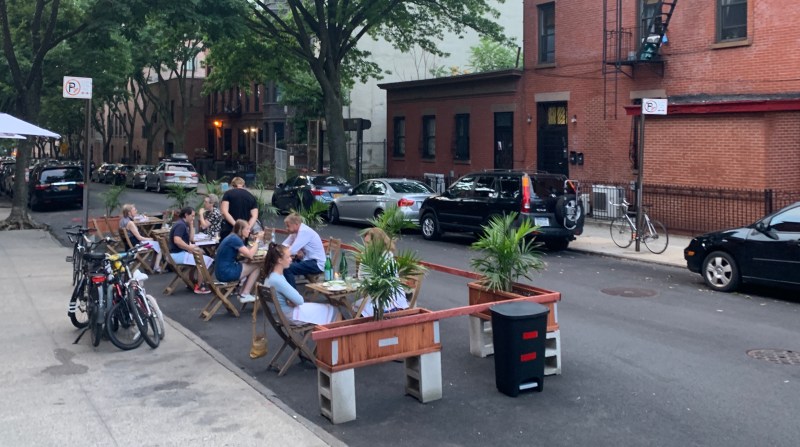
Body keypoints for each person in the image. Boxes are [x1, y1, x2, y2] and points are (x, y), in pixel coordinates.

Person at [264, 243, 339, 325]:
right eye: (288, 257)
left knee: (328, 308)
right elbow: (299, 300)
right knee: (333, 310)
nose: (291, 259)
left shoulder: (272, 276)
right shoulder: (277, 279)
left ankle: (334, 336)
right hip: (291, 315)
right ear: (280, 260)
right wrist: (291, 299)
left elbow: (289, 297)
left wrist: (290, 299)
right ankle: (337, 337)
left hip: (285, 313)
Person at [355, 227, 408, 317]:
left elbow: (375, 283)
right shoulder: (370, 256)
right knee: (356, 306)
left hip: (389, 300)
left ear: (377, 243)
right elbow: (361, 277)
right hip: (376, 297)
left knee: (359, 310)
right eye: (365, 243)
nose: (365, 246)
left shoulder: (387, 258)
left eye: (368, 243)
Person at [168, 206, 214, 294]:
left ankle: (193, 281)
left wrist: (191, 225)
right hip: (176, 255)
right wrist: (190, 248)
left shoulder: (182, 223)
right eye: (192, 216)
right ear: (186, 215)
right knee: (202, 260)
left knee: (200, 254)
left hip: (176, 253)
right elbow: (177, 240)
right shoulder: (180, 225)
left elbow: (191, 239)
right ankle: (199, 286)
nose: (193, 218)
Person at [214, 219, 260, 304]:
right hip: (226, 273)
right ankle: (245, 294)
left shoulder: (232, 237)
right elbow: (250, 254)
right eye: (247, 229)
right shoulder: (235, 239)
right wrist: (257, 242)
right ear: (240, 230)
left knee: (249, 263)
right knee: (257, 266)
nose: (249, 231)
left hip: (220, 271)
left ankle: (242, 293)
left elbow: (242, 255)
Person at [281, 212, 326, 288]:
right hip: (306, 259)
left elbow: (292, 250)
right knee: (284, 263)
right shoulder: (295, 232)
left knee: (287, 268)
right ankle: (285, 289)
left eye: (288, 226)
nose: (286, 228)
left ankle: (292, 294)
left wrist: (293, 250)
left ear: (296, 224)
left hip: (316, 263)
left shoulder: (304, 231)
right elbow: (284, 245)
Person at [119, 204, 163, 273]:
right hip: (136, 245)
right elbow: (139, 238)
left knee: (154, 244)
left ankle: (152, 266)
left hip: (128, 245)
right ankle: (156, 267)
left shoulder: (122, 220)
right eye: (134, 210)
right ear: (129, 213)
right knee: (158, 245)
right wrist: (150, 239)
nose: (136, 211)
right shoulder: (130, 223)